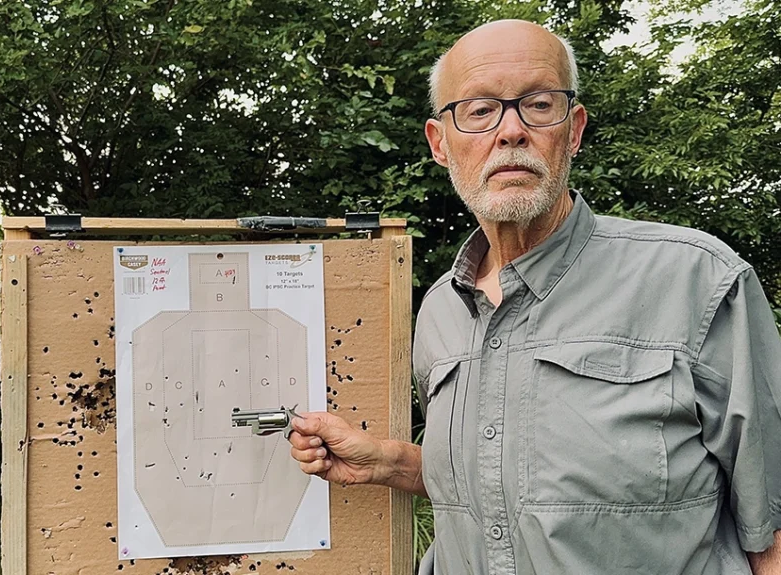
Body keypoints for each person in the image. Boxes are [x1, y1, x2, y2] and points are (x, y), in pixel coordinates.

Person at [287, 19, 781, 575]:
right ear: (440, 144)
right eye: (479, 110)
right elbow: (508, 479)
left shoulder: (699, 281)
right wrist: (388, 462)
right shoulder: (440, 312)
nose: (511, 132)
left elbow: (771, 530)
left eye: (538, 105)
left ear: (572, 130)